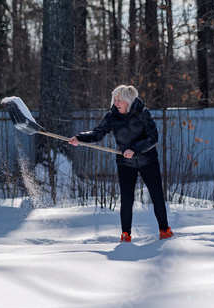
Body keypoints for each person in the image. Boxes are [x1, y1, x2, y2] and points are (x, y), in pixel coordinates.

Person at [68, 85, 174, 242]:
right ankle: (126, 234)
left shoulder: (143, 113)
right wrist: (80, 138)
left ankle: (164, 230)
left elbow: (153, 137)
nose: (116, 103)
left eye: (119, 100)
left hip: (148, 160)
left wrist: (135, 149)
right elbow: (98, 133)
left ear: (128, 100)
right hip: (125, 163)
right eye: (115, 100)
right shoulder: (112, 116)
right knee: (126, 200)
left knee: (157, 196)